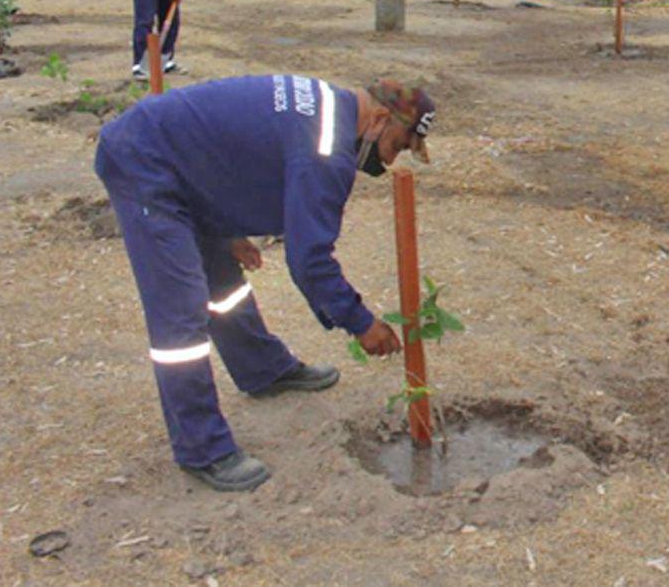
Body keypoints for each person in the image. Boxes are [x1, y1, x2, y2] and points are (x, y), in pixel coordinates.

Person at [94, 76, 436, 491]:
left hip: (180, 162)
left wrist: (226, 227)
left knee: (223, 285)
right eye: (398, 145)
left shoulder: (331, 107)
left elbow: (238, 148)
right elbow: (309, 259)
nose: (391, 160)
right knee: (181, 314)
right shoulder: (327, 148)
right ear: (380, 118)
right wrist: (360, 322)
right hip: (145, 162)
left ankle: (263, 369)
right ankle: (203, 449)